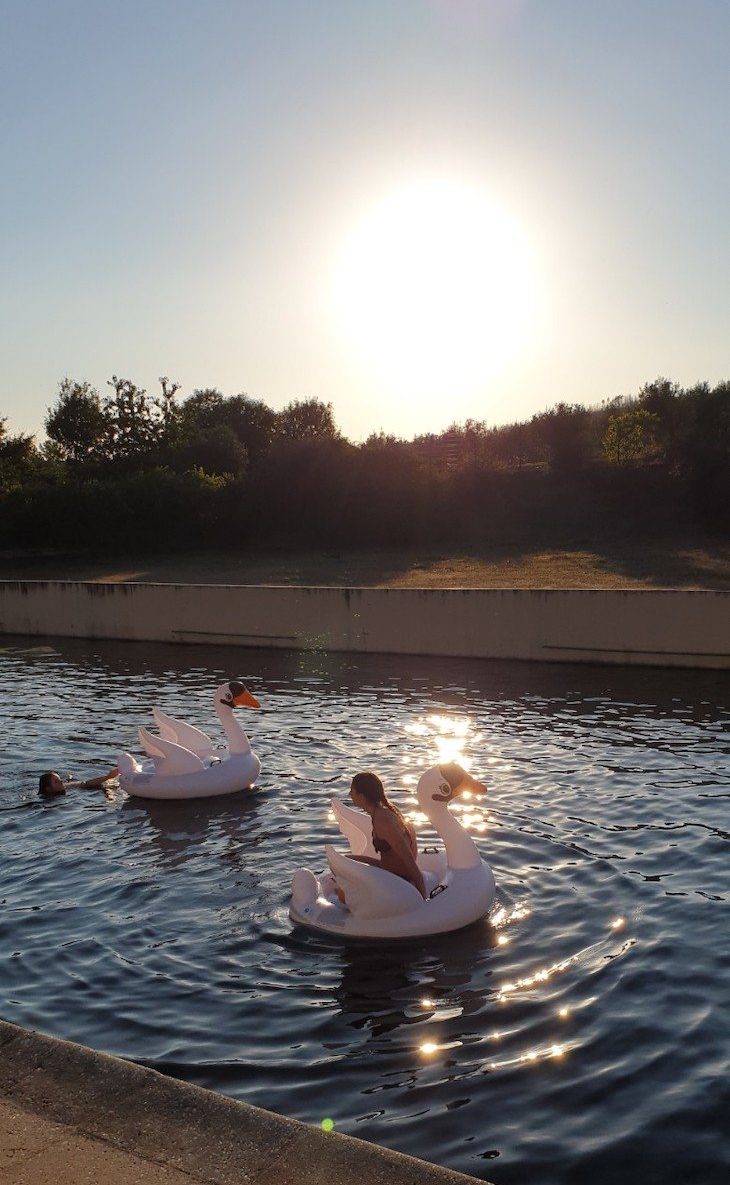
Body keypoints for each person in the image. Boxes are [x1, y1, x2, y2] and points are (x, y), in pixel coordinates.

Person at [347, 771, 427, 898]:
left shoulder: (383, 820)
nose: (349, 794)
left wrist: (424, 898)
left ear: (361, 796)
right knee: (345, 859)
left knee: (345, 863)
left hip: (396, 879)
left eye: (352, 790)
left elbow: (409, 860)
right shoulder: (384, 811)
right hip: (389, 871)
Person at [38, 767, 119, 797]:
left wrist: (108, 777)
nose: (61, 782)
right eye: (56, 782)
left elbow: (86, 784)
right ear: (48, 789)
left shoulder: (67, 786)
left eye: (59, 779)